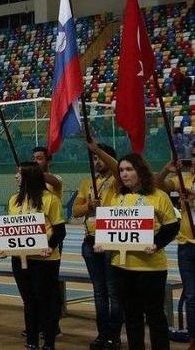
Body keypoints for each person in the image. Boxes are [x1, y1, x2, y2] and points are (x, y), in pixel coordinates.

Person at [98, 154, 179, 350]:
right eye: (121, 171)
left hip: (151, 268)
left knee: (155, 315)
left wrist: (156, 244)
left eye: (129, 170)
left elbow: (171, 227)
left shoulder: (158, 196)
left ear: (140, 171)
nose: (124, 174)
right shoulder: (117, 198)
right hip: (122, 266)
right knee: (132, 316)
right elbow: (112, 227)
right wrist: (103, 242)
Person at [0, 162, 66, 350]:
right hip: (20, 260)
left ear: (30, 176)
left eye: (19, 173)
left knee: (46, 302)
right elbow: (12, 230)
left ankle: (49, 343)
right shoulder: (14, 200)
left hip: (45, 261)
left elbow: (60, 231)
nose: (16, 177)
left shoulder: (50, 199)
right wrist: (6, 248)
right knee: (29, 301)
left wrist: (50, 247)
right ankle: (31, 341)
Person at [74, 142, 123, 350]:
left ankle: (115, 336)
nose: (96, 161)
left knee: (113, 292)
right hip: (90, 241)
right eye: (94, 159)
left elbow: (117, 167)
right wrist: (88, 206)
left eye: (100, 158)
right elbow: (76, 211)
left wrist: (98, 150)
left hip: (110, 240)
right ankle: (102, 334)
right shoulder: (87, 182)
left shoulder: (118, 180)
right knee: (99, 292)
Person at [158, 158, 195, 347]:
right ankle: (193, 340)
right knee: (191, 295)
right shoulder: (184, 178)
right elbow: (157, 185)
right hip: (187, 246)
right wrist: (166, 169)